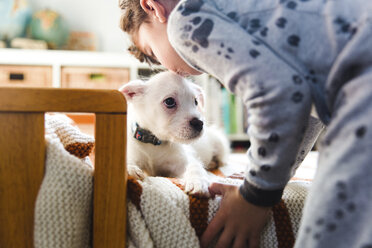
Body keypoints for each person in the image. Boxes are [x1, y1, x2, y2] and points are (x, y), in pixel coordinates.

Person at [119, 0, 372, 247]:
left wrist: (257, 195)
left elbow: (277, 94)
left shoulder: (185, 20)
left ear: (153, 7)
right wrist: (268, 175)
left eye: (152, 52)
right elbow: (304, 104)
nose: (164, 67)